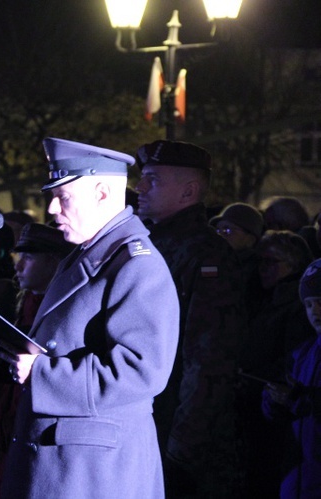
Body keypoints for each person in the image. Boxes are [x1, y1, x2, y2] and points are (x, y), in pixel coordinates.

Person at [0, 138, 179, 498]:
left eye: (62, 197)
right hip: (71, 461)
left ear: (101, 194)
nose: (51, 208)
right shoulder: (91, 254)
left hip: (95, 473)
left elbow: (142, 372)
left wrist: (42, 373)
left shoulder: (137, 264)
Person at [135, 140, 246, 497]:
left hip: (175, 432)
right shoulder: (150, 245)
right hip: (147, 422)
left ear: (188, 191)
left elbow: (209, 357)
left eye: (152, 179)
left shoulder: (207, 254)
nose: (139, 188)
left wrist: (183, 444)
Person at [0, 222, 75, 499]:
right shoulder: (25, 304)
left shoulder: (61, 312)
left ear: (53, 262)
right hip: (3, 439)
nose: (18, 267)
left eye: (28, 258)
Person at [237, 230, 315, 497]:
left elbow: (291, 360)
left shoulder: (298, 307)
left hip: (282, 419)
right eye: (261, 261)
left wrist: (258, 378)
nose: (263, 269)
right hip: (264, 405)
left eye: (271, 262)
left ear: (292, 265)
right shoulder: (267, 298)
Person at [262, 258, 321, 498]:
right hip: (304, 477)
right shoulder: (304, 352)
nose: (315, 311)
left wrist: (302, 399)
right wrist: (274, 401)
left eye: (320, 302)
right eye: (308, 305)